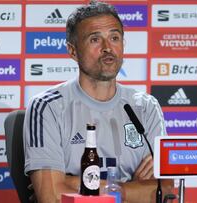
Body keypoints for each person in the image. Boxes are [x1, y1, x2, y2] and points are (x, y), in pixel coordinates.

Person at [23, 1, 172, 203]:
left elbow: (168, 193)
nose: (107, 48)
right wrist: (133, 190)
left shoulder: (146, 107)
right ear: (73, 51)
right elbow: (51, 196)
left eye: (114, 37)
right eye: (95, 39)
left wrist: (73, 182)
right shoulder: (47, 107)